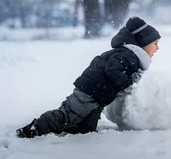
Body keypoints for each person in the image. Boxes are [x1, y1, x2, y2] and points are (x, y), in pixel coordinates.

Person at [16, 16, 161, 138]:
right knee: (66, 116)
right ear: (143, 43)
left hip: (98, 97)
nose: (157, 48)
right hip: (89, 92)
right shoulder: (127, 54)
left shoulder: (131, 56)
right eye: (155, 44)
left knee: (86, 129)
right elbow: (113, 71)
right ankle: (33, 129)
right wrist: (128, 82)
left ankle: (73, 129)